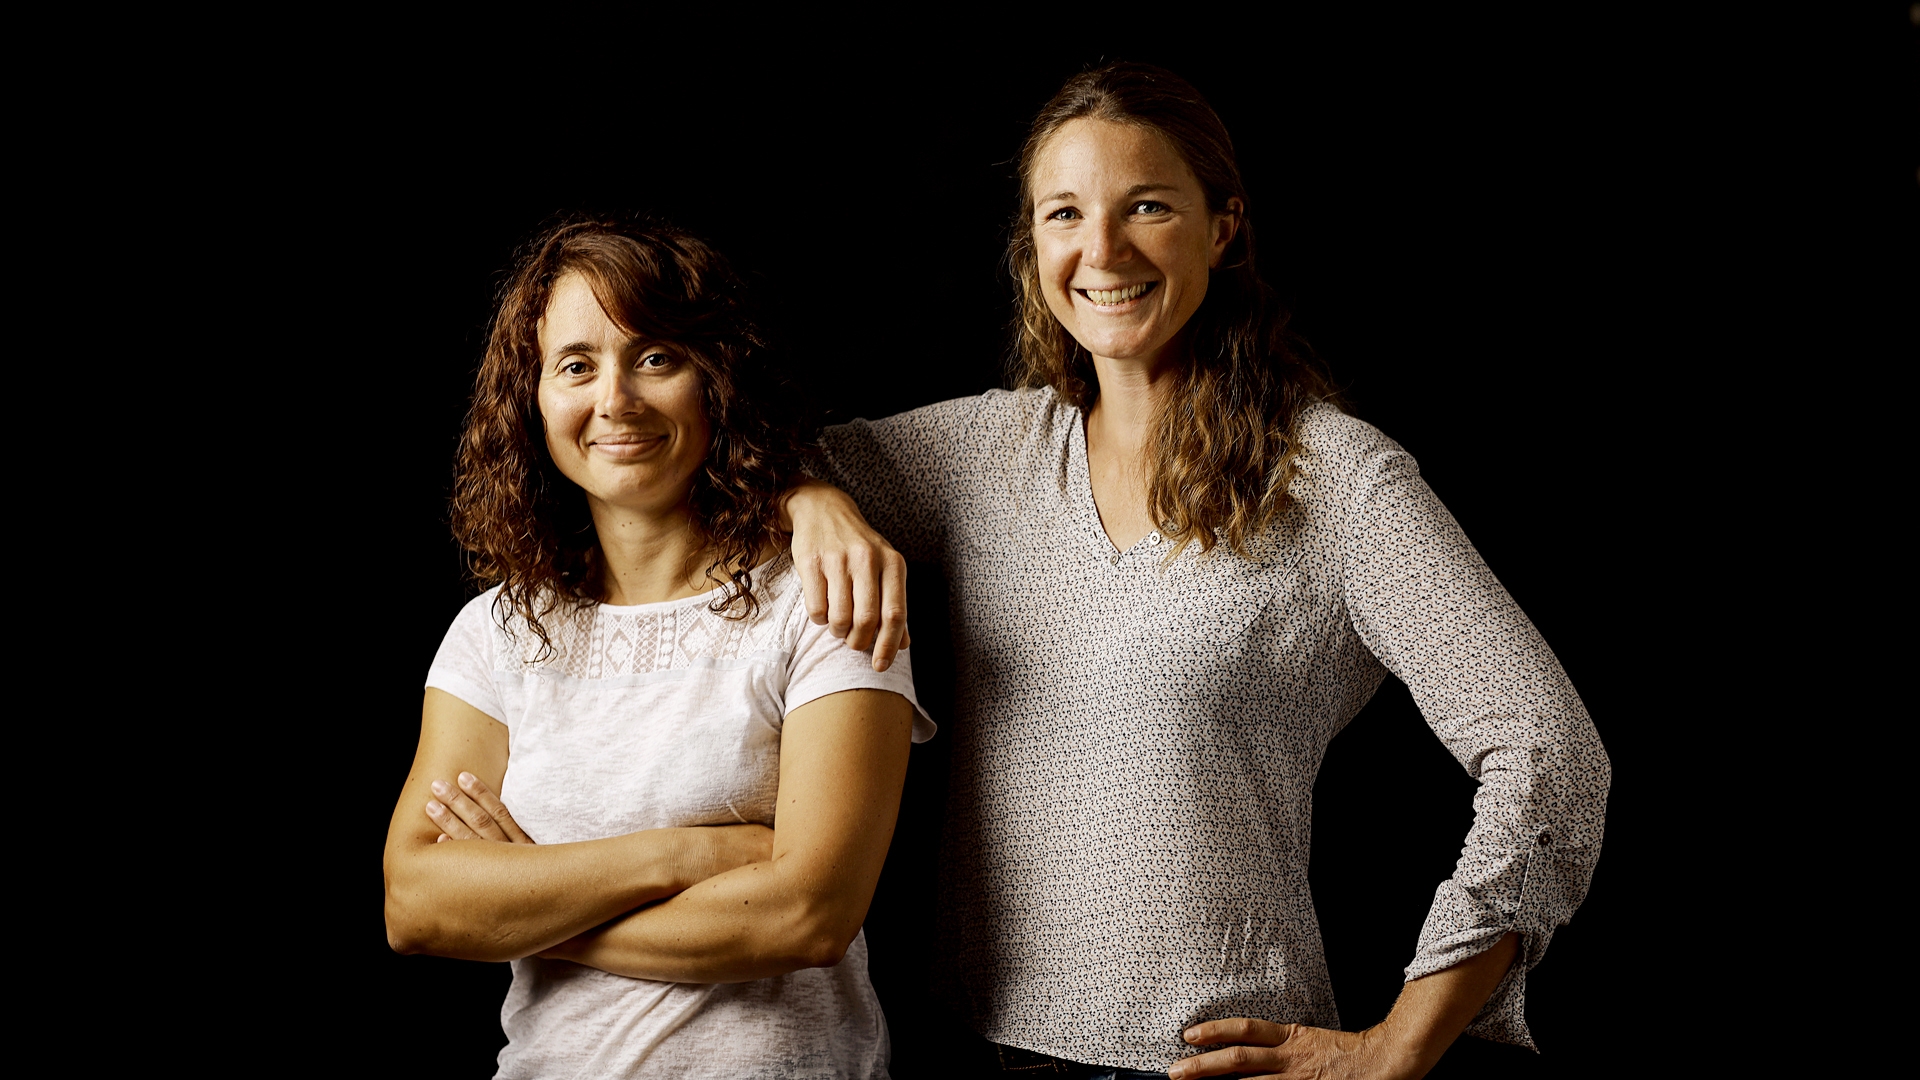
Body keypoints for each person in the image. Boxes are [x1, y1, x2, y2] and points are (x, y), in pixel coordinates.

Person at [783, 62, 1610, 1078]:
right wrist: (815, 498)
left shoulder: (1334, 480)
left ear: (1222, 229)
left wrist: (1400, 1045)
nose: (1102, 250)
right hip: (970, 1050)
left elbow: (1552, 754)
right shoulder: (986, 457)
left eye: (1147, 207)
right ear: (1033, 245)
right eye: (1065, 214)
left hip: (1206, 1063)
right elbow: (737, 463)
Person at [382, 217, 934, 1079]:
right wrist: (687, 854)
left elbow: (807, 918)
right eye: (576, 366)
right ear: (533, 400)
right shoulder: (497, 634)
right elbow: (416, 904)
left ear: (716, 380)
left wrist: (525, 905)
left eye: (654, 358)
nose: (616, 400)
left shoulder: (825, 600)